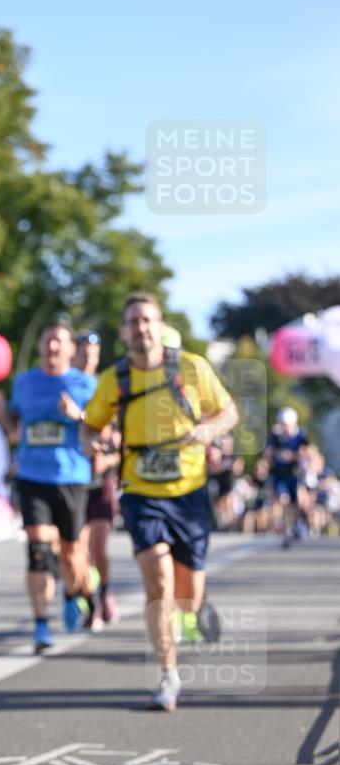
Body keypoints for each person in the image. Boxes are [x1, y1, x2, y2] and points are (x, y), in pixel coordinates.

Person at [83, 292, 238, 711]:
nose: (141, 328)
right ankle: (168, 675)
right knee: (159, 584)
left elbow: (228, 413)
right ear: (123, 331)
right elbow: (89, 426)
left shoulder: (191, 367)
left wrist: (208, 431)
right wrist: (94, 443)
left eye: (147, 320)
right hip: (140, 494)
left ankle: (196, 607)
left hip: (188, 493)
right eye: (132, 321)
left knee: (186, 595)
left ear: (159, 324)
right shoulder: (115, 378)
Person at [9, 319, 98, 651]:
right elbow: (15, 422)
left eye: (59, 342)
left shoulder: (86, 385)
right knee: (38, 551)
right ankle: (41, 624)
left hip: (72, 478)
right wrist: (6, 423)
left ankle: (75, 592)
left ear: (71, 349)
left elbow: (102, 427)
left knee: (73, 555)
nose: (52, 348)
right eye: (47, 341)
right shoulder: (23, 383)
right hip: (32, 476)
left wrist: (78, 415)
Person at [72, 330, 118, 629]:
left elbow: (119, 441)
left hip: (101, 482)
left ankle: (104, 592)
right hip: (72, 482)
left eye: (95, 353)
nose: (90, 358)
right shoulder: (62, 385)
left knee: (98, 549)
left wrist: (108, 459)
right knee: (79, 552)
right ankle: (89, 603)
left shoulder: (106, 387)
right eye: (84, 352)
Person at [264, 407, 308, 547]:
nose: (285, 428)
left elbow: (307, 452)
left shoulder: (301, 435)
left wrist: (293, 456)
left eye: (287, 425)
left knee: (295, 504)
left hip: (294, 474)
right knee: (281, 500)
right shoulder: (275, 435)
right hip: (279, 474)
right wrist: (271, 456)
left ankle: (295, 525)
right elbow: (267, 453)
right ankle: (283, 530)